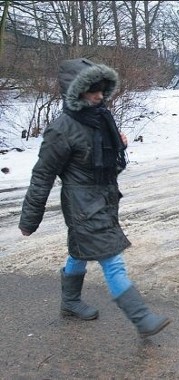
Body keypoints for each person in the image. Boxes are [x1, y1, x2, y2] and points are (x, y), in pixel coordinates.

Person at [19, 58, 170, 338]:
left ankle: (70, 302)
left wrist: (118, 149)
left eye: (102, 89)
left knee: (79, 250)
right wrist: (30, 220)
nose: (100, 96)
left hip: (104, 200)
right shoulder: (61, 129)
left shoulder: (100, 121)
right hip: (83, 207)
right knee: (111, 259)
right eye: (93, 90)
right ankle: (142, 319)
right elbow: (42, 175)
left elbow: (111, 170)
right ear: (76, 92)